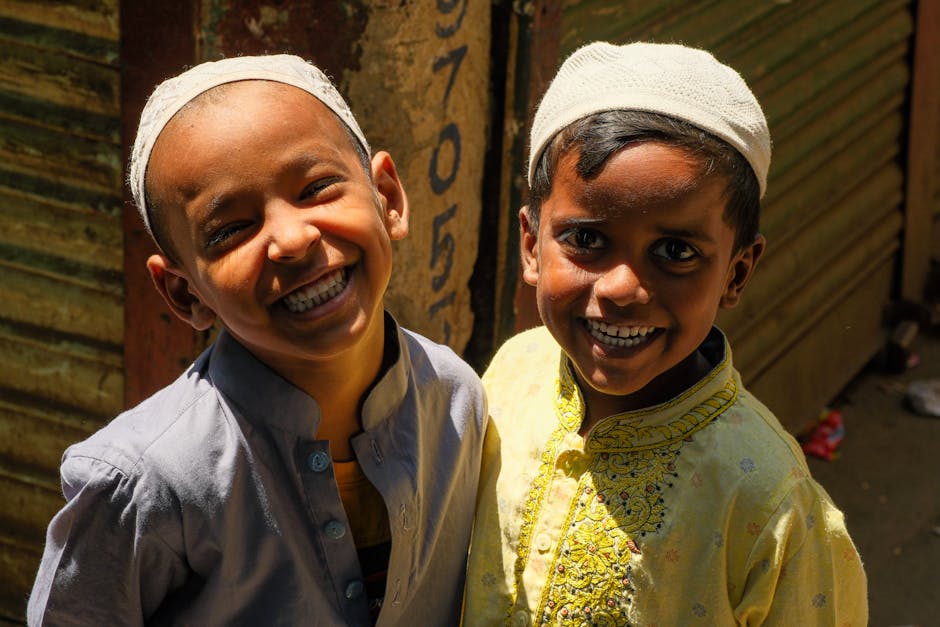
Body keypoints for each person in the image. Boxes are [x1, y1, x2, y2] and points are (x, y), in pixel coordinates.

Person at [28, 54, 487, 626]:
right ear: (183, 293)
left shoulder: (456, 402)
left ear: (387, 197)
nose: (291, 239)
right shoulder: (144, 484)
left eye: (318, 188)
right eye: (231, 230)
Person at [464, 42, 867, 625]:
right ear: (531, 245)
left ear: (737, 273)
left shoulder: (773, 505)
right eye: (586, 239)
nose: (623, 288)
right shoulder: (511, 372)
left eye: (675, 252)